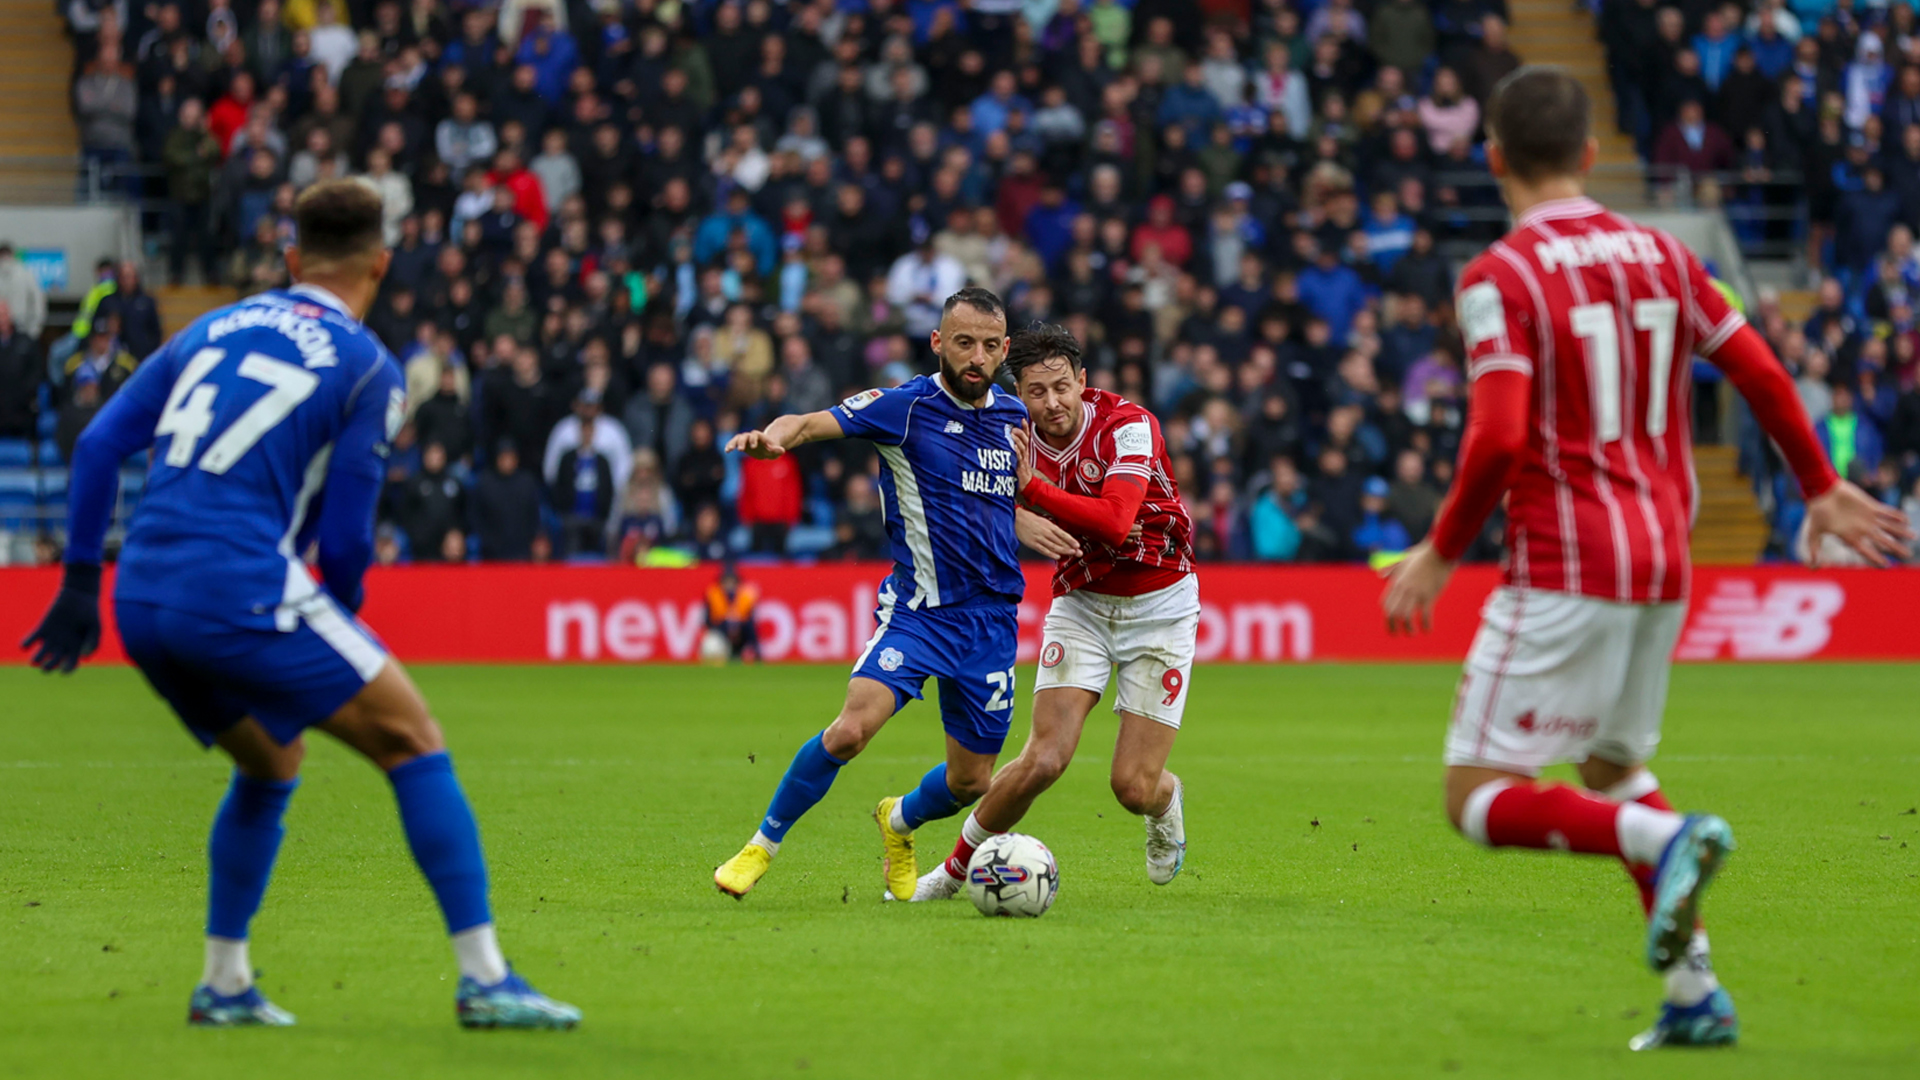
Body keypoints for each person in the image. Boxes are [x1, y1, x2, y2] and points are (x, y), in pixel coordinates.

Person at [1378, 68, 1910, 1051]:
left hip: (1567, 558)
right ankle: (1695, 993)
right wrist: (1817, 483)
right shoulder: (1665, 254)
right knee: (1615, 761)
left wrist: (1439, 551)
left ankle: (1665, 841)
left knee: (1476, 796)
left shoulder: (1500, 276)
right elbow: (1755, 365)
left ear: (1494, 161)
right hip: (1666, 557)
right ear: (1590, 154)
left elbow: (1496, 439)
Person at [20, 180, 579, 1030]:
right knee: (413, 738)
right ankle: (486, 978)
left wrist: (76, 586)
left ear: (290, 260)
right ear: (381, 266)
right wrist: (344, 624)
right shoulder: (365, 365)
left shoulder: (210, 327)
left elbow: (98, 442)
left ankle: (226, 983)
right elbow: (349, 542)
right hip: (238, 583)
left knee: (272, 763)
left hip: (141, 595)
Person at [710, 287, 1077, 901]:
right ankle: (759, 847)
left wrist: (1023, 517)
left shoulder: (1016, 417)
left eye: (989, 346)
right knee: (851, 730)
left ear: (1005, 351)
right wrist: (776, 438)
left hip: (990, 623)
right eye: (963, 343)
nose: (975, 357)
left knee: (972, 782)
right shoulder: (902, 407)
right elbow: (808, 421)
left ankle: (899, 820)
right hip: (919, 613)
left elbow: (988, 499)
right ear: (938, 342)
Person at [910, 323, 1196, 901]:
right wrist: (1014, 513)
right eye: (1036, 392)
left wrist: (1031, 491)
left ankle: (1166, 801)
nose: (1051, 403)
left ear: (1082, 380)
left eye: (1062, 388)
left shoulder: (1129, 426)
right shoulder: (1009, 432)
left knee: (1131, 787)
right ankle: (954, 871)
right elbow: (968, 497)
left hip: (1160, 605)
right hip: (1081, 604)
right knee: (1043, 758)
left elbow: (1116, 522)